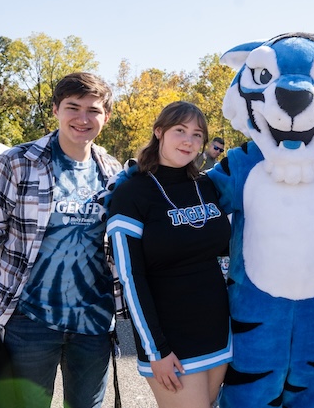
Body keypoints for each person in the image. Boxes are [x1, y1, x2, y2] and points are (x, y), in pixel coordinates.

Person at [0, 72, 122, 408]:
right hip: (28, 323)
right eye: (73, 107)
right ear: (55, 110)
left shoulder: (113, 172)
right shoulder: (16, 163)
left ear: (106, 116)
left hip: (93, 324)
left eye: (94, 110)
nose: (83, 118)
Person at [106, 101, 231, 408]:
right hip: (169, 340)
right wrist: (155, 349)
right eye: (180, 130)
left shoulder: (206, 185)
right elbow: (130, 277)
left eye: (197, 134)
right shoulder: (132, 193)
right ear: (158, 132)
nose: (189, 140)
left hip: (218, 333)